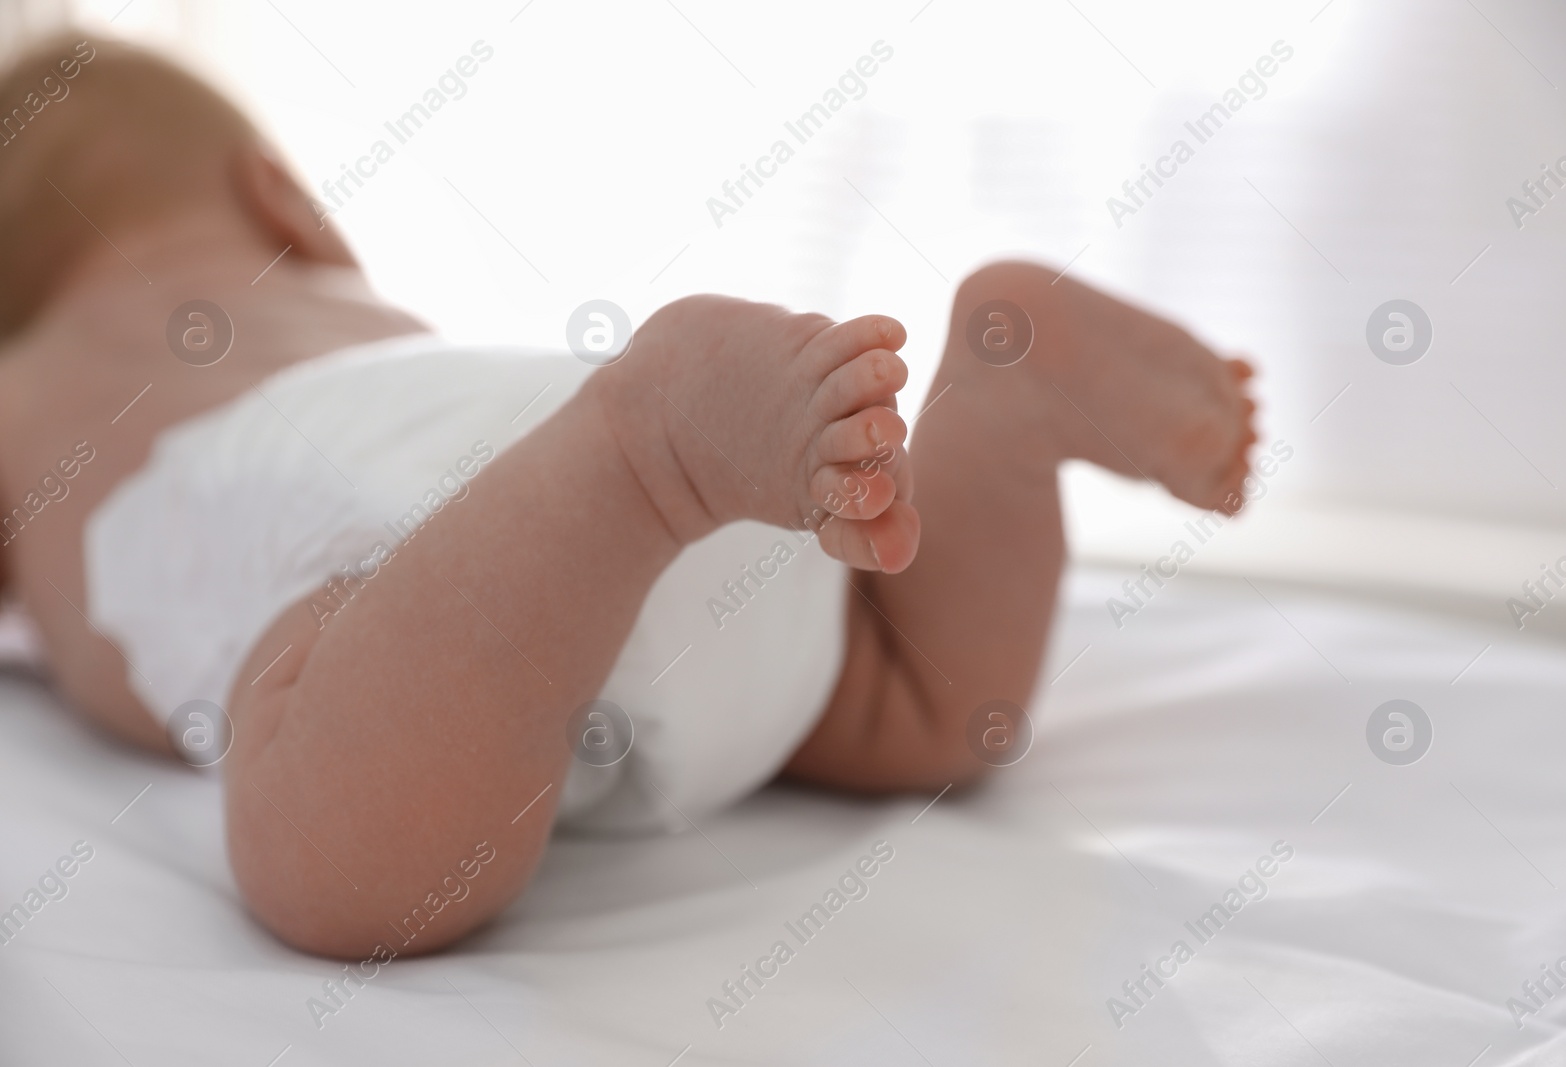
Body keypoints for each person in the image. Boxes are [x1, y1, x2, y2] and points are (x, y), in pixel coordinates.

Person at [0, 34, 1256, 958]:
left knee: (330, 872)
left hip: (363, 527)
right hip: (553, 461)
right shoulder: (346, 316)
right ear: (283, 199)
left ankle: (642, 453)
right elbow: (462, 442)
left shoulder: (31, 391)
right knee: (918, 703)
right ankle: (998, 404)